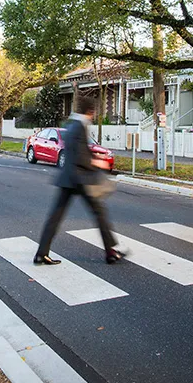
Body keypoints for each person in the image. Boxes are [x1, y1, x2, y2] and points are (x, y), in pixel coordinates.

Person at [34, 95, 125, 266]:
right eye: (93, 112)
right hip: (81, 179)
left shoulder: (71, 124)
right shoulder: (79, 126)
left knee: (55, 216)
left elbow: (77, 150)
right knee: (99, 214)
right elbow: (80, 157)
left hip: (67, 179)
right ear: (90, 111)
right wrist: (97, 161)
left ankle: (41, 253)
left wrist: (92, 155)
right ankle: (111, 252)